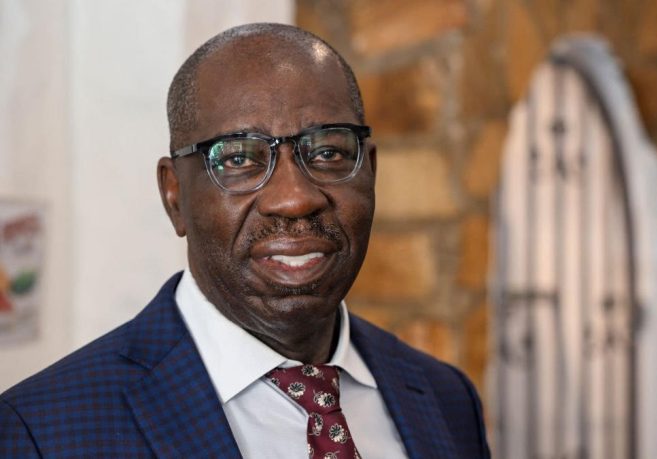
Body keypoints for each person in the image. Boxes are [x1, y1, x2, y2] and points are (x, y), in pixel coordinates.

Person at [0, 23, 489, 458]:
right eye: (238, 159)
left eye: (327, 152)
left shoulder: (446, 399)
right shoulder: (42, 433)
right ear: (175, 196)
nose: (295, 199)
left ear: (370, 173)